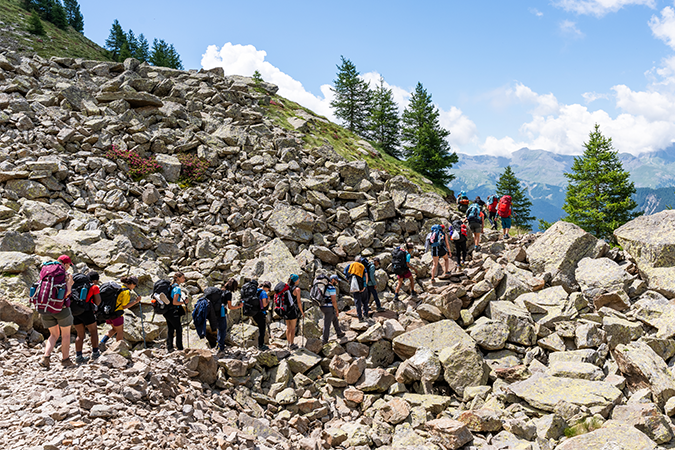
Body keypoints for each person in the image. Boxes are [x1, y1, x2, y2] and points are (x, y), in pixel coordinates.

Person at [38, 255, 75, 369]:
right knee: (66, 335)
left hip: (45, 308)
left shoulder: (46, 271)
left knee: (53, 334)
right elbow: (67, 292)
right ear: (66, 264)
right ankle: (65, 359)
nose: (69, 267)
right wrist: (70, 283)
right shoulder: (66, 275)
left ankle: (45, 357)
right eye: (69, 265)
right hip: (61, 309)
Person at [99, 276, 140, 347]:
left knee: (114, 329)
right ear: (132, 283)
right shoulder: (126, 292)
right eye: (135, 285)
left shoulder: (119, 288)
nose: (134, 287)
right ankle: (118, 348)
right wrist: (136, 301)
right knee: (120, 331)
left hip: (109, 313)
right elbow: (124, 306)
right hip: (117, 314)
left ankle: (102, 342)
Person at [72, 271, 101, 364]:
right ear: (95, 280)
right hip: (86, 311)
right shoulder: (94, 287)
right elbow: (98, 302)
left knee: (80, 335)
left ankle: (78, 356)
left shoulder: (76, 286)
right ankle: (95, 353)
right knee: (93, 332)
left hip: (75, 312)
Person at [162, 272, 187, 352]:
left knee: (171, 329)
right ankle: (180, 348)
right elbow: (175, 302)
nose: (184, 279)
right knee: (179, 329)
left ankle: (170, 347)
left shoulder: (172, 286)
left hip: (167, 311)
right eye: (183, 277)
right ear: (178, 278)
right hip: (173, 311)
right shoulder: (177, 288)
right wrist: (184, 302)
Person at [215, 278, 239, 353]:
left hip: (215, 312)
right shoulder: (228, 293)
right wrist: (239, 307)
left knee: (219, 328)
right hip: (222, 312)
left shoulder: (220, 290)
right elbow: (230, 307)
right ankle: (221, 347)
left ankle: (218, 344)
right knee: (223, 328)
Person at [321, 275, 344, 345]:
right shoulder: (331, 288)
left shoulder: (325, 287)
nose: (337, 282)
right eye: (336, 281)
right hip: (328, 307)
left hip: (322, 306)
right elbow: (333, 301)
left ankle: (339, 332)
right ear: (333, 280)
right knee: (327, 324)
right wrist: (337, 310)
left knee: (334, 317)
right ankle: (324, 340)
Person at [284, 274, 305, 349]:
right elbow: (299, 302)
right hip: (292, 310)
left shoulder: (286, 288)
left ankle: (288, 343)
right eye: (298, 279)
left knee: (288, 327)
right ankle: (292, 344)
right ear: (296, 280)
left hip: (285, 309)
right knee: (292, 328)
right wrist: (302, 312)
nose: (299, 280)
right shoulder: (297, 289)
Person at [345, 257, 369, 321]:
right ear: (360, 262)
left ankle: (360, 317)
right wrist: (365, 286)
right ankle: (366, 314)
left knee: (357, 303)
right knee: (365, 301)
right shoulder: (362, 266)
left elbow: (345, 274)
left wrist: (350, 282)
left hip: (354, 288)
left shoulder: (350, 265)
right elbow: (366, 276)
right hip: (362, 287)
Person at [255, 281, 271, 350]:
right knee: (262, 329)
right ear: (266, 288)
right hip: (261, 312)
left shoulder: (256, 290)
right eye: (269, 289)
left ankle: (259, 344)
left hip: (254, 312)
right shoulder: (263, 293)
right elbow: (264, 304)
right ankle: (261, 345)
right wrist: (268, 300)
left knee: (259, 327)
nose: (268, 291)